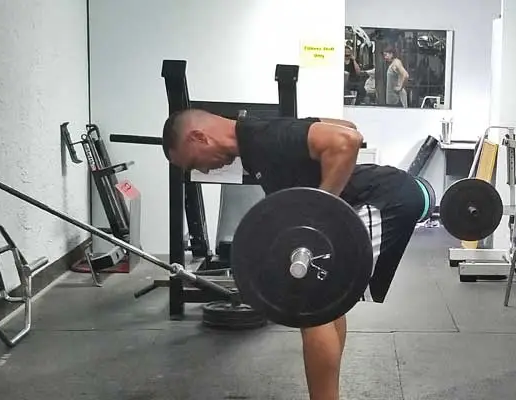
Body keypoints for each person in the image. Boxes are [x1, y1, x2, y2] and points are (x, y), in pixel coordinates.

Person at [161, 109, 425, 400]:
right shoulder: (257, 138)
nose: (206, 170)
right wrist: (306, 125)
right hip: (375, 198)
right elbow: (346, 125)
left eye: (196, 162)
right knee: (324, 304)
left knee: (309, 304)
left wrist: (317, 211)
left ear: (199, 137)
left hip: (381, 201)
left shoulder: (262, 136)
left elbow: (347, 139)